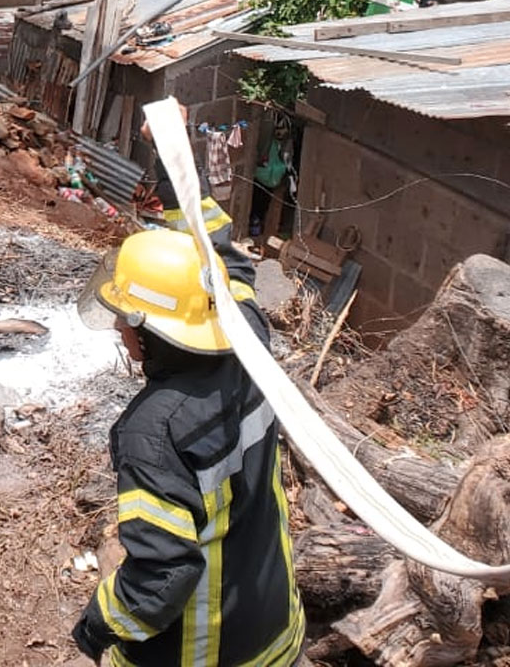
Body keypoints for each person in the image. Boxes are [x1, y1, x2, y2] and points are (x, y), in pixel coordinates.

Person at [71, 171, 305, 666]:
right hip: (277, 629)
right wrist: (171, 162)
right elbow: (227, 260)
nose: (118, 326)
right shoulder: (249, 341)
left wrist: (95, 626)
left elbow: (162, 581)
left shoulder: (154, 435)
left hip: (208, 655)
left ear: (152, 330)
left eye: (127, 316)